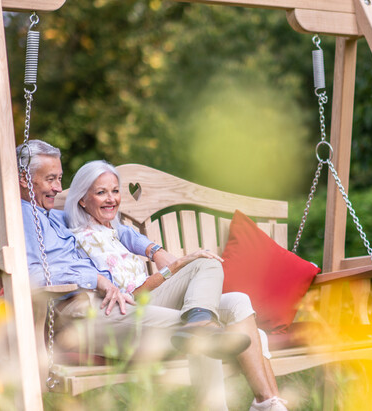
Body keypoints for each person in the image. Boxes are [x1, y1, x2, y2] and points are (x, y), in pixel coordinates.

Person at [15, 140, 285, 411]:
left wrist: (155, 250)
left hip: (113, 306)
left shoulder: (54, 215)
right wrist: (96, 279)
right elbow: (31, 276)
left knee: (232, 298)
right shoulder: (21, 218)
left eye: (59, 178)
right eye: (51, 179)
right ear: (25, 180)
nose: (58, 188)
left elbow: (112, 227)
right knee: (200, 334)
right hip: (85, 316)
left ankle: (266, 403)